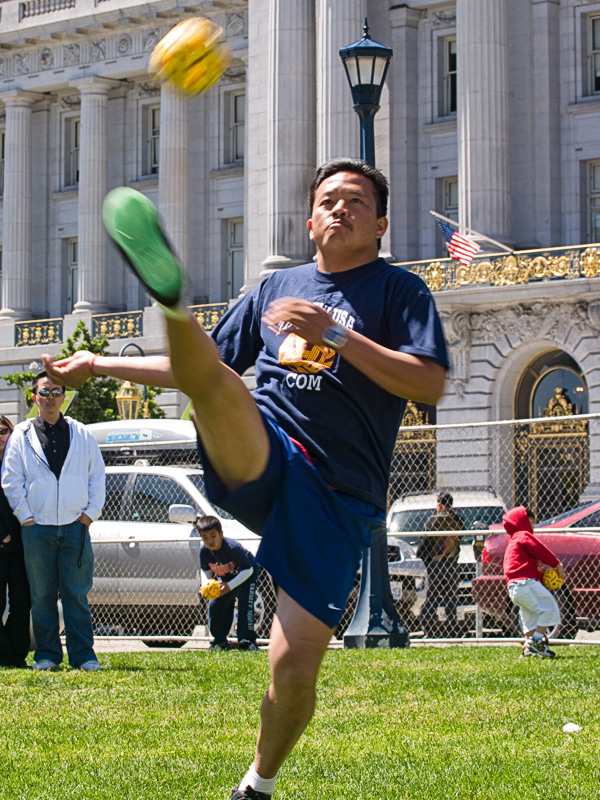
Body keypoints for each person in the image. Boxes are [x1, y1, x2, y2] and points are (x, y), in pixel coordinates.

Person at [43, 157, 448, 798]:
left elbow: (430, 382)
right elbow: (197, 369)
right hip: (265, 454)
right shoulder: (272, 289)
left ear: (382, 227)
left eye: (358, 203)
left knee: (290, 668)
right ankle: (170, 300)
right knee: (220, 383)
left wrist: (336, 335)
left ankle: (256, 784)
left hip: (339, 495)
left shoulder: (400, 293)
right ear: (311, 220)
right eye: (330, 201)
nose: (342, 209)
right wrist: (96, 364)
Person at [1, 373, 106, 671]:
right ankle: (47, 654)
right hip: (37, 529)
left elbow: (96, 475)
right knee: (42, 595)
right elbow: (11, 480)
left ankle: (84, 656)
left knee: (76, 593)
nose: (50, 397)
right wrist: (26, 517)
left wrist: (89, 514)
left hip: (76, 526)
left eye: (55, 391)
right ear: (34, 397)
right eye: (44, 392)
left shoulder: (82, 433)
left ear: (64, 396)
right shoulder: (22, 435)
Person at [502, 505, 566, 659]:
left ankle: (529, 647)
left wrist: (540, 575)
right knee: (549, 607)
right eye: (531, 523)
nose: (533, 527)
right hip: (525, 584)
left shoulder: (512, 541)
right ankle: (536, 642)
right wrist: (557, 565)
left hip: (515, 587)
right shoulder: (523, 535)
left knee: (529, 615)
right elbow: (540, 550)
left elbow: (522, 565)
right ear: (522, 522)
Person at [197, 514, 259, 651]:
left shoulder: (232, 548)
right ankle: (219, 641)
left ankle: (247, 641)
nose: (210, 541)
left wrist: (229, 587)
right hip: (226, 578)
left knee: (245, 604)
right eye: (205, 537)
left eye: (213, 536)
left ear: (221, 534)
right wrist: (207, 585)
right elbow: (205, 570)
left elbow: (247, 569)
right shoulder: (204, 551)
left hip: (246, 575)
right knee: (216, 604)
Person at [0, 415, 31, 669]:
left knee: (22, 601)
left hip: (22, 544)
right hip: (1, 543)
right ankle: (4, 653)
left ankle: (16, 654)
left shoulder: (21, 462)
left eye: (2, 431)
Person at [418, 491, 464, 637]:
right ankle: (452, 629)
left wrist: (423, 559)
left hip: (435, 563)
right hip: (451, 562)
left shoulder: (432, 521)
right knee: (451, 596)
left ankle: (429, 629)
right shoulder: (457, 520)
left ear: (439, 504)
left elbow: (424, 544)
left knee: (431, 596)